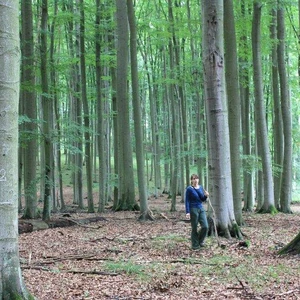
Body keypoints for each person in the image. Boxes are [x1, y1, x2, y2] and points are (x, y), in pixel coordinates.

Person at [185, 174, 209, 250]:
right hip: (193, 209)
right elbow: (187, 201)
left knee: (205, 226)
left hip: (201, 208)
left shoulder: (201, 187)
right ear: (191, 180)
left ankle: (200, 241)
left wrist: (206, 196)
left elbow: (202, 199)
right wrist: (187, 212)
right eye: (193, 179)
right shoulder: (189, 189)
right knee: (194, 227)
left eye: (196, 179)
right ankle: (195, 245)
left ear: (198, 180)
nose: (195, 180)